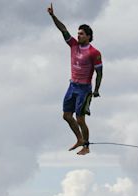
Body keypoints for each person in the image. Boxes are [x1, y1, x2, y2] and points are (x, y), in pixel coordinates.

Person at [47, 3, 103, 155]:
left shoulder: (94, 52)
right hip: (72, 86)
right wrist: (53, 16)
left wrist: (96, 90)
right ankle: (79, 139)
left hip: (84, 90)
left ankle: (86, 146)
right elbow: (63, 29)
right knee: (66, 116)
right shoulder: (73, 45)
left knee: (80, 119)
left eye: (82, 34)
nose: (78, 36)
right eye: (78, 33)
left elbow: (99, 73)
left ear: (89, 36)